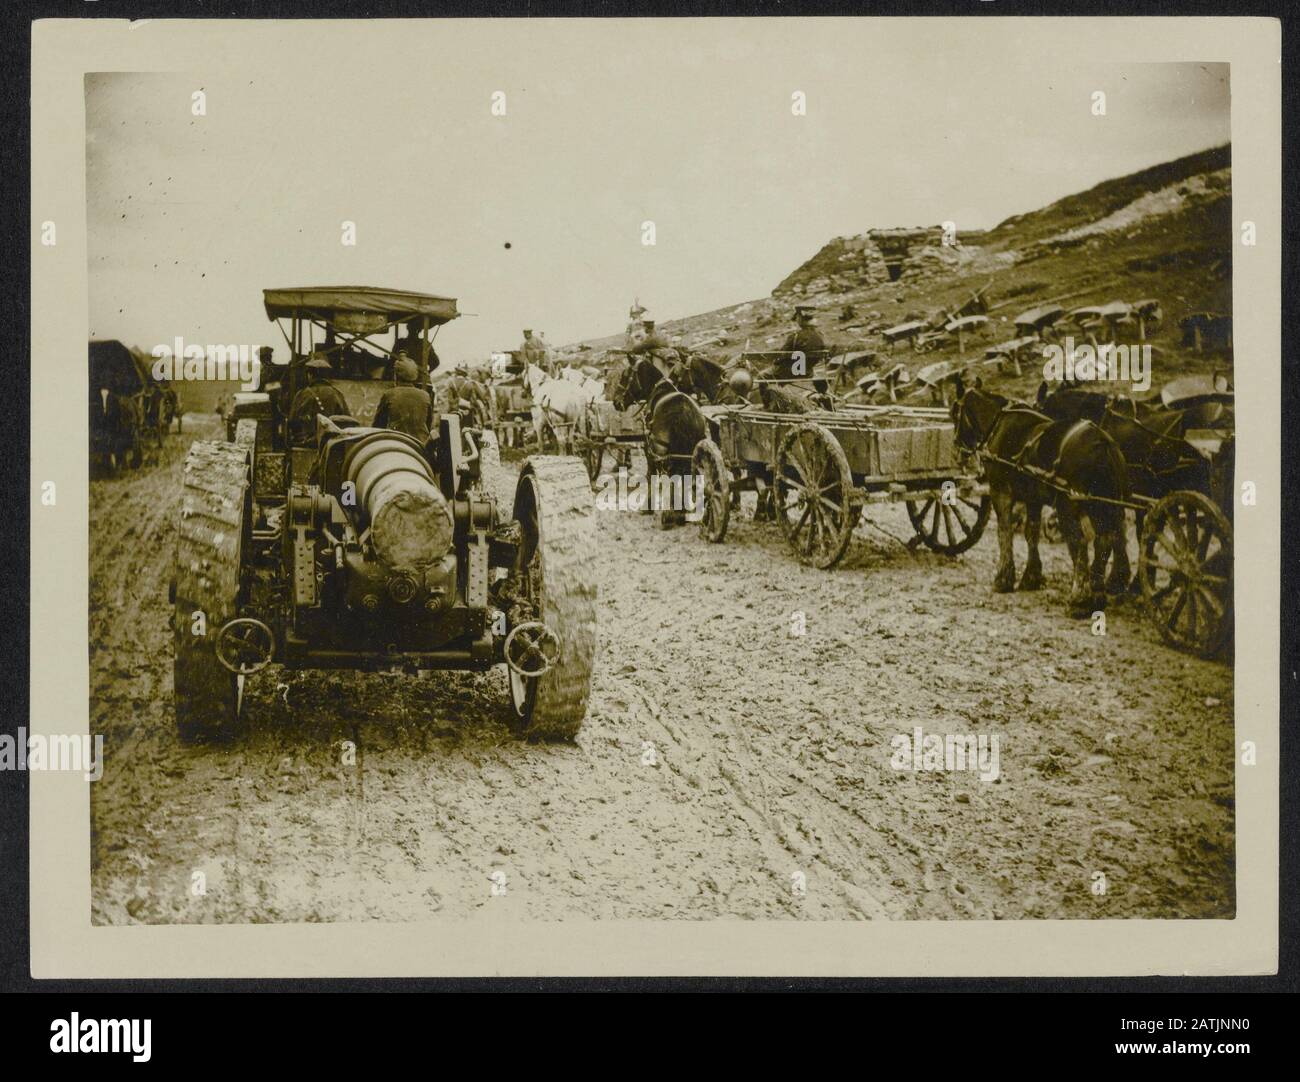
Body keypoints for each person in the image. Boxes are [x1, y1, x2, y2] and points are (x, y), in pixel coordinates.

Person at [289, 355, 352, 444]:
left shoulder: (302, 395)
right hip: (331, 445)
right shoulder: (337, 394)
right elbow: (347, 420)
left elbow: (292, 422)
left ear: (310, 375)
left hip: (307, 444)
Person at [373, 354, 435, 442]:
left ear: (396, 376)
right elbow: (429, 425)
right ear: (415, 376)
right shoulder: (425, 396)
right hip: (420, 445)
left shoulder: (390, 394)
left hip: (396, 443)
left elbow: (378, 426)